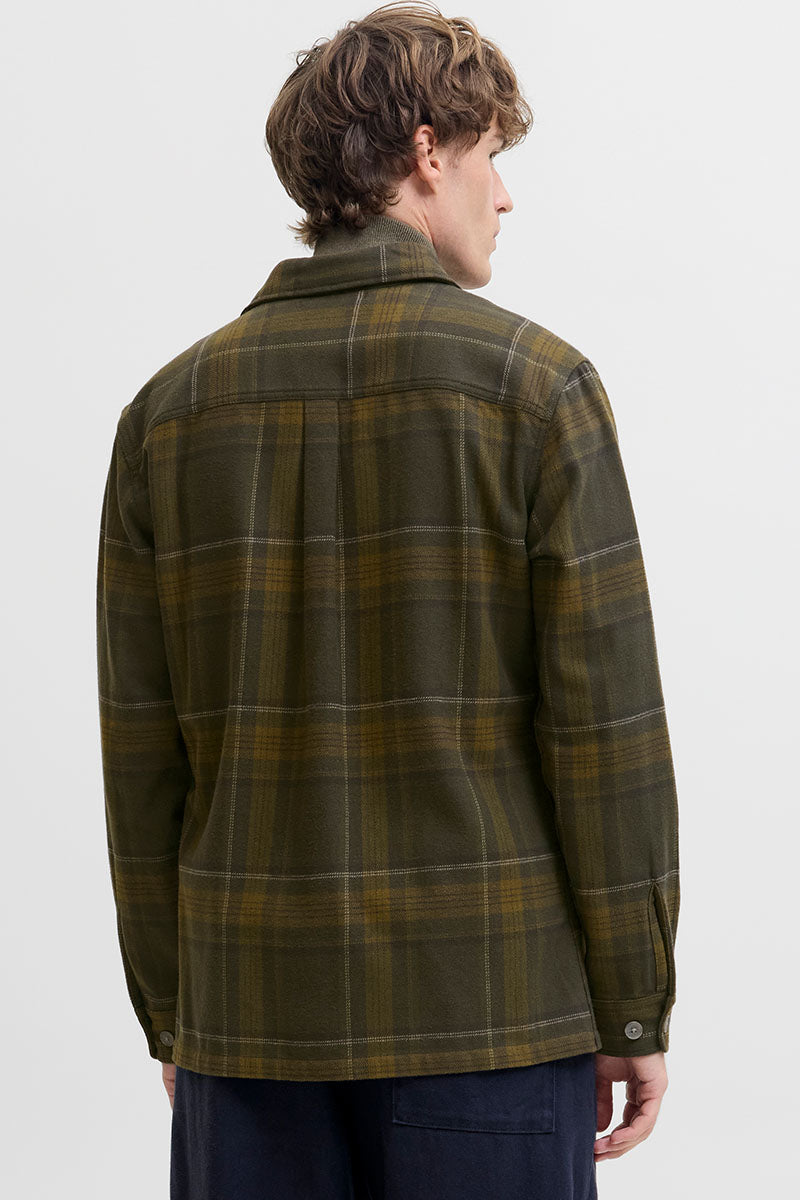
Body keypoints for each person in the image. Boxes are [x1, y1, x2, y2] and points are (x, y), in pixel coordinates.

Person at [95, 4, 680, 1197]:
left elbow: (142, 759)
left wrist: (175, 1009)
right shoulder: (537, 389)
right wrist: (632, 1000)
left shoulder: (166, 416)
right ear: (425, 152)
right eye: (488, 158)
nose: (502, 197)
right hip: (492, 1013)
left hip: (247, 1022)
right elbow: (603, 732)